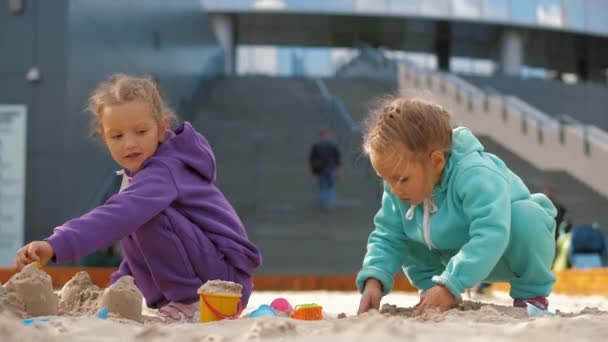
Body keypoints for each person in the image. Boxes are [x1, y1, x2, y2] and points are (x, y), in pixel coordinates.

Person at [13, 73, 262, 322]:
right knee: (134, 216)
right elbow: (139, 250)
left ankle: (190, 302)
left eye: (141, 131)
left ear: (161, 128)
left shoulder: (164, 170)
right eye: (117, 136)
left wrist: (56, 244)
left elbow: (118, 217)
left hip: (224, 284)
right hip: (210, 274)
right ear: (104, 136)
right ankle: (182, 300)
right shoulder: (138, 178)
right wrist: (117, 290)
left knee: (135, 214)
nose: (130, 144)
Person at [356, 97, 557, 315]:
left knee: (527, 217)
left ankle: (531, 295)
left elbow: (491, 233)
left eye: (402, 179)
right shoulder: (399, 185)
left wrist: (451, 284)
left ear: (436, 161)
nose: (393, 189)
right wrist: (374, 280)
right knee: (404, 231)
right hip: (450, 255)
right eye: (385, 179)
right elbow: (388, 235)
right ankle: (432, 291)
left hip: (505, 251)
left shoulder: (474, 174)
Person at [309, 128, 342, 212]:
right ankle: (329, 204)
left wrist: (313, 171)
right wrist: (338, 170)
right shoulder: (332, 145)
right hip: (328, 169)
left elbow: (312, 159)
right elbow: (337, 159)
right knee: (329, 187)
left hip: (321, 169)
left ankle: (324, 204)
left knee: (323, 187)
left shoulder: (316, 145)